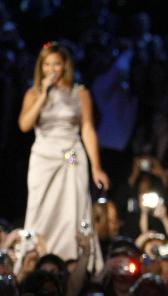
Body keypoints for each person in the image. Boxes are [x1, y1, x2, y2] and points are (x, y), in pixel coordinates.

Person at [18, 42, 109, 272]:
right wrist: (42, 94)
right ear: (41, 67)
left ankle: (75, 262)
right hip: (43, 157)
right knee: (41, 208)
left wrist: (96, 167)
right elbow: (24, 125)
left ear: (65, 65)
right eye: (47, 64)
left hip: (70, 155)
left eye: (56, 64)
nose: (52, 69)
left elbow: (87, 128)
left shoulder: (80, 92)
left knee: (72, 207)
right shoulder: (32, 93)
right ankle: (36, 260)